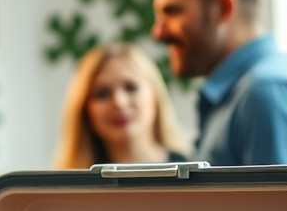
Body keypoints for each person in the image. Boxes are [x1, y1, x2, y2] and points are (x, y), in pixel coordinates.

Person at [151, 0, 287, 166]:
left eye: (172, 11)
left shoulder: (264, 92)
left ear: (223, 8)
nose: (158, 32)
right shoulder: (242, 92)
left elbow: (281, 192)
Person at [53, 41, 190, 169]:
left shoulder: (194, 173)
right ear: (85, 111)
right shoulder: (70, 185)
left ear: (155, 95)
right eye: (102, 94)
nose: (119, 103)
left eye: (131, 88)